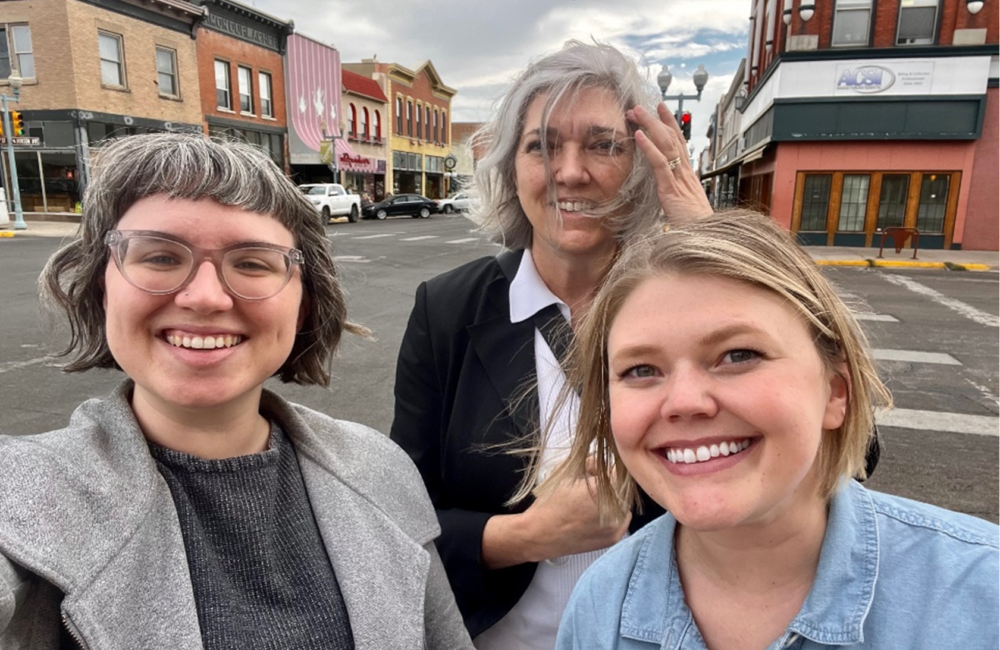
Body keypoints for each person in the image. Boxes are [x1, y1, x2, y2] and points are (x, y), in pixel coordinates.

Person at [0, 133, 473, 650]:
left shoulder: (380, 470)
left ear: (305, 304)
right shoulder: (21, 497)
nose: (204, 297)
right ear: (100, 287)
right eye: (159, 257)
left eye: (251, 262)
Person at [549, 212, 1000, 649]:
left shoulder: (981, 593)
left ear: (835, 392)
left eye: (739, 355)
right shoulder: (601, 606)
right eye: (641, 369)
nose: (685, 401)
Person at [389, 40, 713, 648]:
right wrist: (527, 534)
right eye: (542, 146)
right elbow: (400, 512)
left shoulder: (695, 300)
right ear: (513, 168)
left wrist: (714, 246)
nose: (570, 171)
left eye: (602, 144)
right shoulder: (448, 310)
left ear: (644, 165)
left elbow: (842, 454)